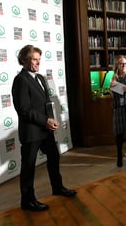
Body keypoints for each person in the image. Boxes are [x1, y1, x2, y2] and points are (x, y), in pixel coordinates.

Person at [12, 45, 77, 212]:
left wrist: (51, 120)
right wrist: (45, 120)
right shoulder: (20, 80)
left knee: (54, 158)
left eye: (39, 59)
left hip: (45, 130)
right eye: (34, 59)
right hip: (32, 132)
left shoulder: (40, 78)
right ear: (23, 60)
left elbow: (46, 103)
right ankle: (27, 201)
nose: (37, 62)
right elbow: (24, 109)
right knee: (28, 166)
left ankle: (58, 187)